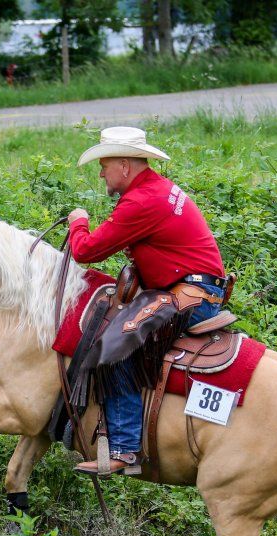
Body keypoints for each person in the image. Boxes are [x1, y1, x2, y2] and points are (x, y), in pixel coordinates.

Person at [67, 126, 227, 476]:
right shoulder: (156, 189)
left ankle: (125, 450)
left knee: (116, 345)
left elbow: (85, 251)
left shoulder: (141, 201)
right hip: (196, 287)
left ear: (124, 166)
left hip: (191, 295)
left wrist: (78, 222)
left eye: (104, 166)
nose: (101, 174)